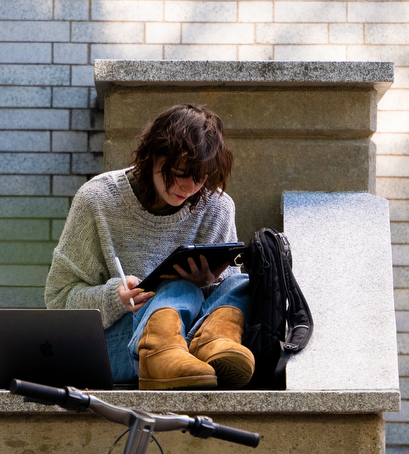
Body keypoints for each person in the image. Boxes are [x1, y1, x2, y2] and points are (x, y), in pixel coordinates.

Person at [44, 103, 253, 389]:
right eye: (180, 172)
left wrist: (208, 283)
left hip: (190, 346)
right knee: (179, 289)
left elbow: (220, 302)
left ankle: (213, 347)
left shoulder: (216, 206)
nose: (189, 187)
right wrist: (114, 297)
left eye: (200, 177)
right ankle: (157, 354)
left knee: (243, 283)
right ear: (152, 155)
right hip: (120, 344)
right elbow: (58, 301)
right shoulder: (98, 199)